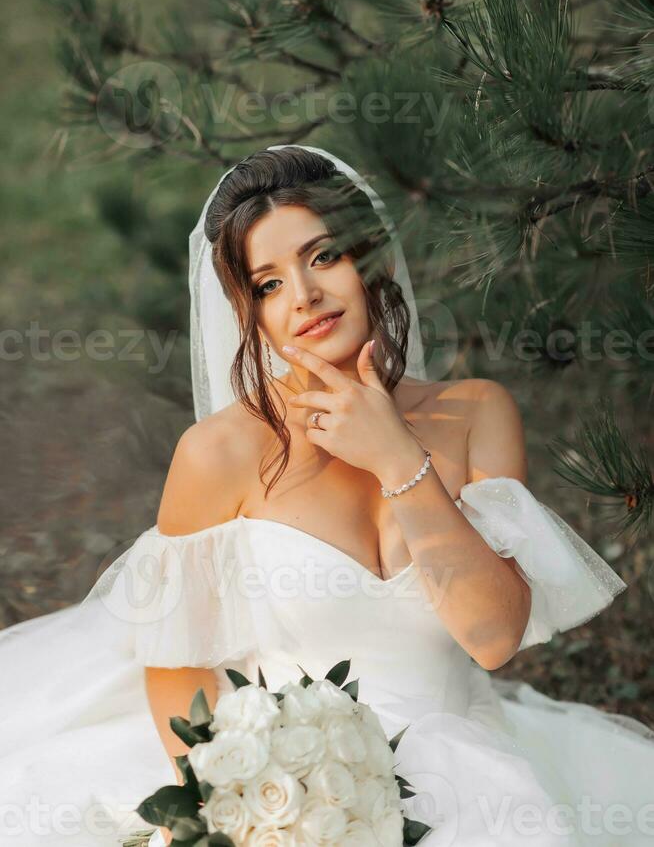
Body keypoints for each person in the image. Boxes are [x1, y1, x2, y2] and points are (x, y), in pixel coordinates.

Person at [1, 144, 653, 847]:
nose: (304, 297)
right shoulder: (218, 454)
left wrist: (399, 458)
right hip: (283, 773)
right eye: (268, 285)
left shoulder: (475, 414)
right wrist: (241, 807)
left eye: (322, 257)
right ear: (247, 313)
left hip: (463, 768)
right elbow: (176, 665)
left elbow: (493, 638)